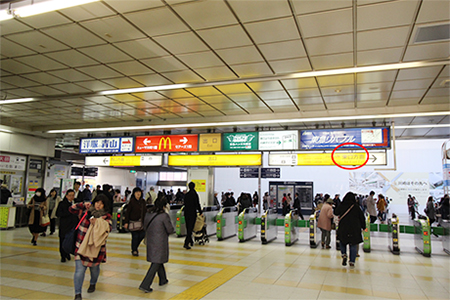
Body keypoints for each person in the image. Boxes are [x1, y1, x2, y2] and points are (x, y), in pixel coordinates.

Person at [70, 194, 112, 300]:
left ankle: (93, 283)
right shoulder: (85, 212)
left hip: (96, 249)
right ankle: (77, 294)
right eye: (97, 202)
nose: (98, 205)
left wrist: (98, 223)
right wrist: (83, 204)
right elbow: (71, 209)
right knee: (79, 270)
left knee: (94, 269)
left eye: (101, 204)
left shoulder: (106, 217)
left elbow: (108, 228)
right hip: (81, 246)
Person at [139, 194, 174, 293]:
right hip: (160, 242)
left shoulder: (148, 214)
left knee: (158, 259)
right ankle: (145, 284)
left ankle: (163, 279)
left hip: (151, 240)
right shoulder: (164, 216)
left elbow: (144, 226)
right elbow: (170, 229)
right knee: (156, 262)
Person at [335, 192, 366, 268]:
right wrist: (363, 226)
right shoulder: (356, 207)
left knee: (342, 241)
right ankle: (352, 261)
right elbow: (362, 217)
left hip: (344, 227)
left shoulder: (342, 205)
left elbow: (335, 212)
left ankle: (344, 254)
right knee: (353, 244)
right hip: (354, 228)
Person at [56, 189, 78, 262]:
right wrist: (69, 212)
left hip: (73, 225)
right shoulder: (62, 204)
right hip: (64, 225)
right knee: (62, 240)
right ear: (66, 196)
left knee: (71, 240)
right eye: (70, 195)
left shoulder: (76, 204)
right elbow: (58, 214)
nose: (71, 197)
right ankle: (63, 255)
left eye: (73, 195)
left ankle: (68, 253)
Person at [124, 187, 146, 257]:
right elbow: (127, 212)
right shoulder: (132, 202)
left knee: (142, 235)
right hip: (133, 222)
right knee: (135, 236)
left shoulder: (143, 201)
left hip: (141, 222)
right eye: (136, 192)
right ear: (134, 193)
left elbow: (145, 211)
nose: (138, 193)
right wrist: (126, 222)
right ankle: (134, 250)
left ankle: (135, 246)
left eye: (139, 192)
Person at [183, 182, 202, 250]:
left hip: (186, 213)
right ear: (194, 187)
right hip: (192, 213)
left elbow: (184, 203)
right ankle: (186, 243)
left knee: (188, 227)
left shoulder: (186, 195)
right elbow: (197, 204)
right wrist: (200, 212)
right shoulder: (194, 194)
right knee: (190, 228)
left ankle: (190, 241)